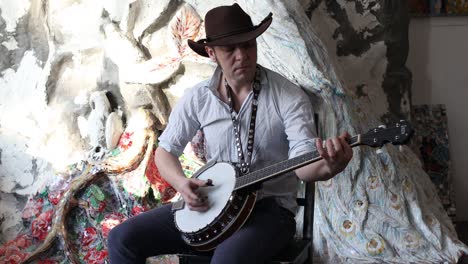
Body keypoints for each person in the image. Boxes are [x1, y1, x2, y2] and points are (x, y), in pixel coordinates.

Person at [108, 3, 353, 264]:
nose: (242, 55)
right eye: (230, 49)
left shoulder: (289, 96)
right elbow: (165, 152)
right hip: (212, 204)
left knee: (227, 260)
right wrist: (181, 183)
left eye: (248, 45)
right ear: (211, 53)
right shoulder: (198, 97)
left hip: (270, 213)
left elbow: (304, 166)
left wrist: (330, 166)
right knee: (122, 238)